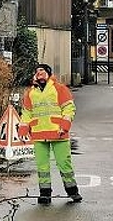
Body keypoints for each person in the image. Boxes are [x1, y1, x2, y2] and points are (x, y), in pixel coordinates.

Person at [18, 63, 82, 205]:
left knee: (64, 164)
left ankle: (73, 191)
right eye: (37, 71)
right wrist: (23, 128)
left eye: (41, 71)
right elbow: (27, 113)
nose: (39, 73)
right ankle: (45, 194)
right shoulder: (30, 93)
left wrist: (65, 126)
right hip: (39, 133)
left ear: (48, 73)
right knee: (42, 166)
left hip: (58, 133)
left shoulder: (59, 89)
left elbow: (69, 108)